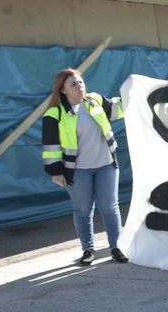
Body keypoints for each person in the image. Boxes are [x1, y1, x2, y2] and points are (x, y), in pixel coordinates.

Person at [42, 69, 128, 266]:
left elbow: (122, 107)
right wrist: (55, 172)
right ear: (62, 90)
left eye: (80, 82)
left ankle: (117, 247)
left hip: (106, 166)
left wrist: (137, 87)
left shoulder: (95, 101)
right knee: (83, 211)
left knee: (110, 208)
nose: (80, 86)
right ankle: (88, 249)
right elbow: (50, 146)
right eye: (73, 84)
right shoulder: (54, 114)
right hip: (78, 170)